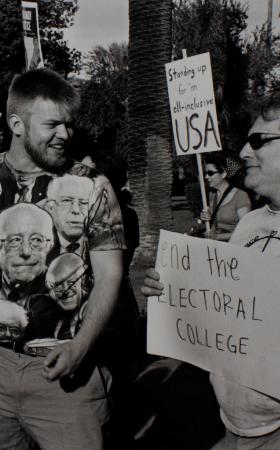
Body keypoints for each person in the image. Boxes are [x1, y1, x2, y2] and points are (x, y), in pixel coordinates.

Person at [0, 68, 125, 449]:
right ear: (17, 124)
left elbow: (111, 276)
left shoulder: (93, 187)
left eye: (68, 125)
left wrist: (81, 347)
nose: (64, 134)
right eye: (52, 124)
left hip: (67, 371)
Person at [141, 91, 280, 450]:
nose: (245, 153)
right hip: (232, 424)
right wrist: (171, 292)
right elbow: (227, 309)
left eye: (258, 141)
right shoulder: (250, 224)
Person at [200, 154, 251, 241]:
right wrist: (204, 218)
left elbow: (246, 231)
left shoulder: (240, 196)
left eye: (210, 173)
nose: (206, 177)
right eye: (205, 173)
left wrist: (217, 237)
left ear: (223, 174)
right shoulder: (212, 194)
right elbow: (214, 223)